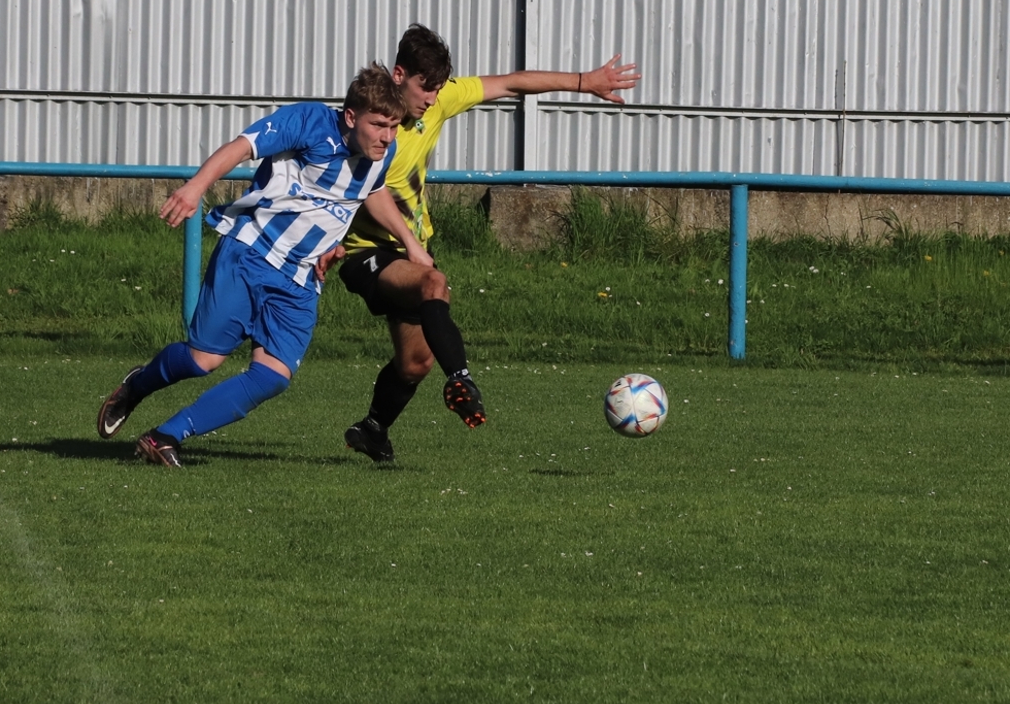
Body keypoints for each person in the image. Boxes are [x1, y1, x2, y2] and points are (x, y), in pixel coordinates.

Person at [332, 24, 641, 463]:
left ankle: (373, 429)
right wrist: (408, 244)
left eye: (438, 88)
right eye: (425, 87)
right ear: (399, 75)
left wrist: (584, 82)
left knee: (415, 362)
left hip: (408, 250)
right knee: (434, 284)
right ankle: (460, 379)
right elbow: (365, 190)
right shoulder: (373, 123)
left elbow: (512, 82)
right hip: (364, 250)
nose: (432, 98)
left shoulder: (436, 104)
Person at [97, 63, 426, 467]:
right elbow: (241, 147)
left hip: (301, 276)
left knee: (273, 376)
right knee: (203, 360)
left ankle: (164, 437)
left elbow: (371, 192)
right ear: (351, 116)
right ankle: (137, 386)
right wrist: (195, 187)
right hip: (252, 251)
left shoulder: (382, 151)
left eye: (393, 127)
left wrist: (409, 243)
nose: (387, 137)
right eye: (378, 126)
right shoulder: (308, 122)